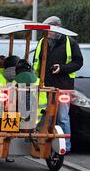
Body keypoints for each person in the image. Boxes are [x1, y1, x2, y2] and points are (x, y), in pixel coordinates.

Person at [32, 16, 83, 153]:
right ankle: (44, 144)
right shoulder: (43, 42)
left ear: (57, 28)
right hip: (44, 86)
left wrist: (62, 68)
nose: (47, 33)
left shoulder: (70, 43)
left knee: (62, 117)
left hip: (63, 87)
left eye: (48, 30)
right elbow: (36, 62)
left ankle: (65, 147)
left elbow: (78, 62)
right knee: (44, 115)